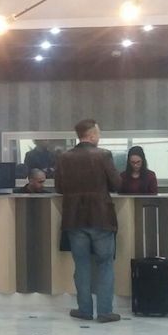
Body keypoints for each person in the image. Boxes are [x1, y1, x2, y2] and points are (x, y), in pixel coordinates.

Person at [56, 119, 122, 323]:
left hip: (74, 218)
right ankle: (105, 312)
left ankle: (84, 310)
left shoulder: (64, 157)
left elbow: (59, 187)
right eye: (98, 133)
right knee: (105, 264)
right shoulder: (103, 155)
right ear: (92, 135)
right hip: (101, 217)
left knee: (82, 265)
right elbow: (117, 184)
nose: (99, 137)